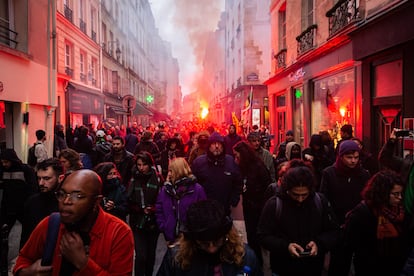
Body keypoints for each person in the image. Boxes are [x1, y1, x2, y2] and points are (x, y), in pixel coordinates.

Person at [13, 169, 135, 275]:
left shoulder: (118, 233)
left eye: (78, 196)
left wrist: (82, 263)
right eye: (62, 194)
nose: (66, 201)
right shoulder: (51, 223)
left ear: (96, 201)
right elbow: (24, 259)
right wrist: (28, 272)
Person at [257, 160, 339, 276]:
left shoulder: (320, 202)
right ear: (287, 189)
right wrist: (286, 246)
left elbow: (333, 231)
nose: (300, 199)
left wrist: (319, 244)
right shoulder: (274, 204)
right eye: (295, 195)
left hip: (313, 268)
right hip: (283, 268)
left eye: (304, 195)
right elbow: (262, 235)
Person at [157, 199, 262, 275]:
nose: (212, 249)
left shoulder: (246, 257)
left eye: (217, 241)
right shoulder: (176, 259)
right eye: (204, 244)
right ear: (193, 241)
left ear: (227, 236)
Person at [319, 139, 370, 275]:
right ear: (341, 157)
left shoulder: (364, 174)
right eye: (349, 157)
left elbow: (368, 199)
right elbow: (324, 199)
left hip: (359, 226)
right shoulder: (329, 173)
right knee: (339, 265)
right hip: (338, 226)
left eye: (356, 157)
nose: (353, 161)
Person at [344, 170, 409, 275]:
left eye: (401, 193)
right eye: (395, 194)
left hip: (395, 267)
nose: (400, 197)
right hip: (370, 268)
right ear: (382, 193)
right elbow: (351, 246)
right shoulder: (362, 213)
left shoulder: (400, 211)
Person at [233, 141, 272, 263]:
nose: (236, 158)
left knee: (256, 237)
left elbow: (267, 186)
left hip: (258, 207)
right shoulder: (244, 167)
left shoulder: (257, 167)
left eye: (237, 155)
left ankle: (258, 263)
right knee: (251, 235)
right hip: (250, 206)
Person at [127, 151, 163, 276]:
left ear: (149, 164)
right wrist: (140, 209)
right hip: (138, 221)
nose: (141, 168)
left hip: (153, 222)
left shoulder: (157, 178)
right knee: (141, 255)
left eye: (144, 164)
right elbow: (128, 200)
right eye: (139, 164)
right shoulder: (133, 179)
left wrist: (153, 209)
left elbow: (162, 198)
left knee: (150, 255)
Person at [155, 157, 206, 244]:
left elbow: (203, 211)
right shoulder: (166, 189)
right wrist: (164, 226)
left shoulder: (197, 189)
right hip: (171, 236)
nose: (169, 174)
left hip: (190, 237)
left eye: (171, 171)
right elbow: (159, 209)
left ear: (179, 171)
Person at [191, 132, 242, 215]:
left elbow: (238, 182)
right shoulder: (199, 162)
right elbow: (193, 183)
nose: (217, 146)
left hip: (224, 207)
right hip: (204, 208)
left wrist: (234, 199)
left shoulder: (230, 161)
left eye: (219, 144)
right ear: (209, 146)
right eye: (214, 144)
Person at [20, 158, 64, 249]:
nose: (41, 183)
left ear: (60, 178)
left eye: (46, 178)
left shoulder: (66, 203)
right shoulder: (32, 202)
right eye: (39, 178)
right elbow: (26, 235)